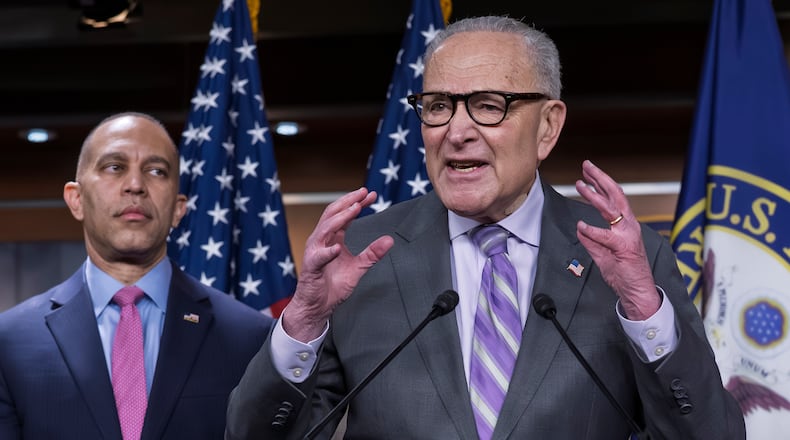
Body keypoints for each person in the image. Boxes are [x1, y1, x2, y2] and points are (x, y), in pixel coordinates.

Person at [225, 16, 745, 440]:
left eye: (488, 106)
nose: (456, 132)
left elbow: (711, 435)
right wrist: (304, 320)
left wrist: (645, 312)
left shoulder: (629, 258)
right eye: (438, 107)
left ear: (548, 127)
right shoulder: (363, 255)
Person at [0, 112, 272, 439]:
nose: (135, 185)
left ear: (178, 208)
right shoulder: (9, 342)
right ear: (76, 199)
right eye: (114, 167)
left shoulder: (250, 337)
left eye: (156, 171)